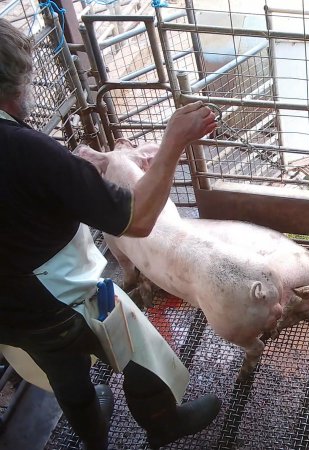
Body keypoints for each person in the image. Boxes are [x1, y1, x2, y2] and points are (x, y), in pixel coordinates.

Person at [0, 18, 220, 449]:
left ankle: (93, 440)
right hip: (60, 292)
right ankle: (163, 422)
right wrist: (173, 142)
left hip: (8, 312)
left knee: (62, 369)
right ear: (16, 82)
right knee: (137, 343)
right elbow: (136, 219)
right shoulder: (27, 150)